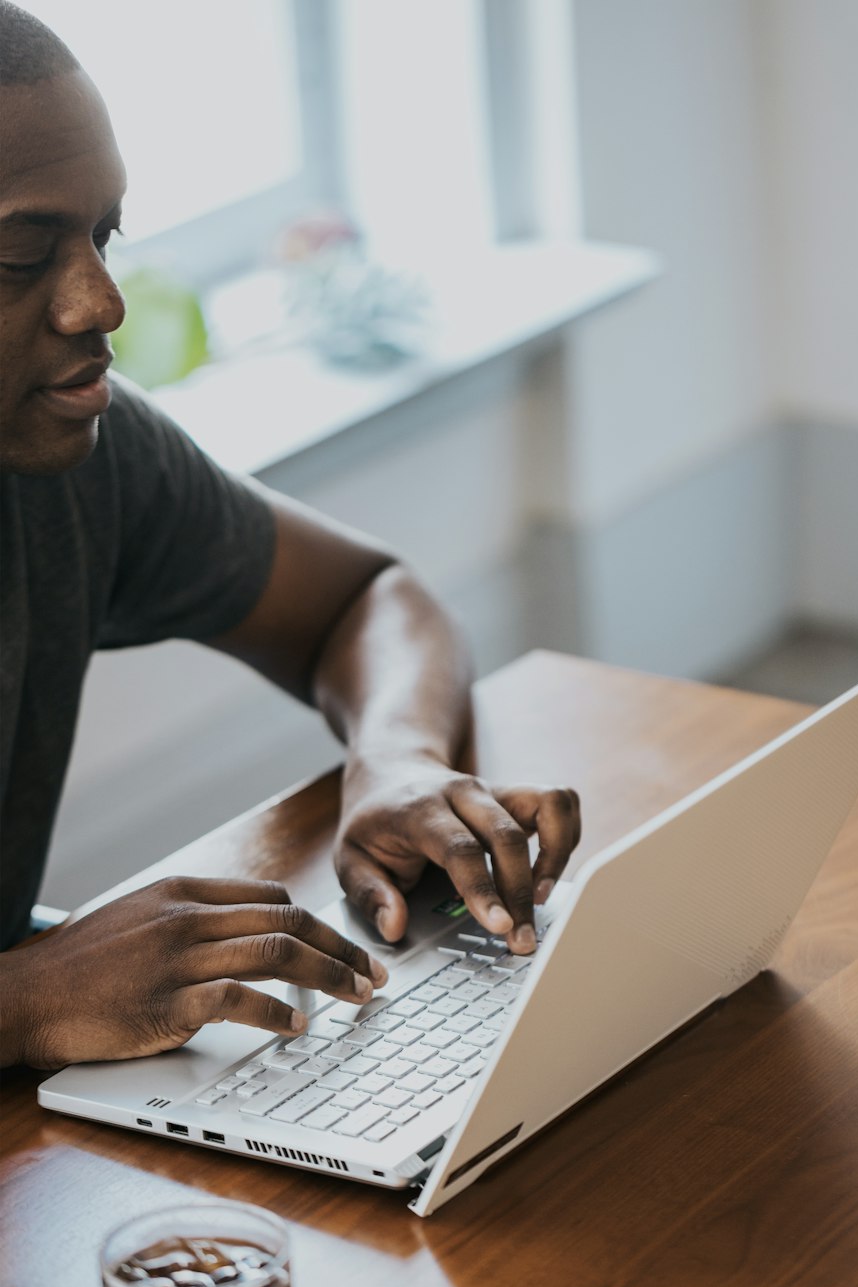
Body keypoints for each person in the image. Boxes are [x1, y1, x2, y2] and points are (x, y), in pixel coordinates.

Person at [0, 4, 580, 1071]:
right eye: (21, 259)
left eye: (103, 235)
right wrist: (23, 998)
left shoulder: (81, 443)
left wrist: (396, 760)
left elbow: (365, 602)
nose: (100, 301)